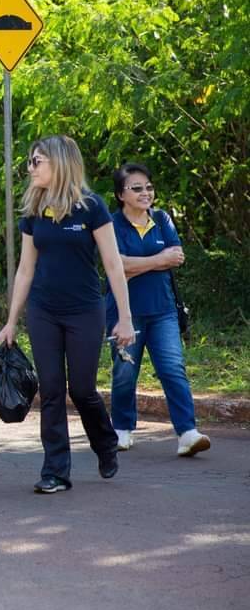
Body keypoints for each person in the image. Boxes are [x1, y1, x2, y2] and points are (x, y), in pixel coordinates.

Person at [0, 135, 135, 494]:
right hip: (43, 311)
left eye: (37, 161)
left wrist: (125, 317)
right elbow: (26, 269)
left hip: (85, 311)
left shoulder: (92, 207)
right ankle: (55, 470)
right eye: (30, 161)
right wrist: (11, 321)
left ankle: (105, 444)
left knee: (83, 389)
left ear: (59, 163)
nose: (30, 168)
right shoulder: (34, 209)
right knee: (53, 390)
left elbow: (112, 264)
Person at [107, 163, 210, 456]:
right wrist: (156, 260)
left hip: (163, 309)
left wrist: (134, 265)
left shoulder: (162, 219)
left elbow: (176, 257)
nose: (145, 193)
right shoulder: (111, 225)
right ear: (120, 194)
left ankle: (187, 432)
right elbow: (116, 266)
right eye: (136, 188)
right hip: (123, 312)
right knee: (125, 372)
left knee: (173, 369)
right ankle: (122, 429)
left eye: (148, 187)